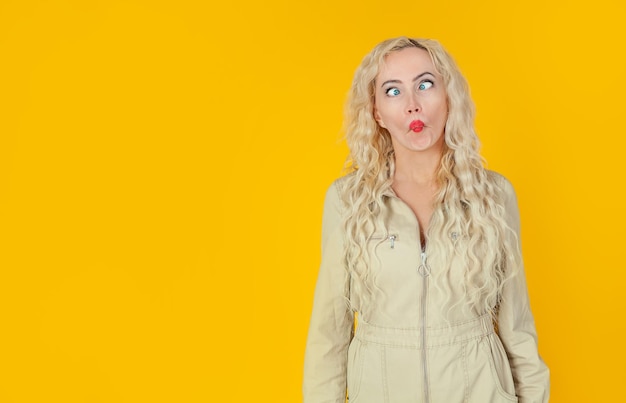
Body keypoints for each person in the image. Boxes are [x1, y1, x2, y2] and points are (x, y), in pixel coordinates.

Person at [303, 37, 549, 403]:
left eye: (425, 84)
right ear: (376, 112)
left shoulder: (494, 196)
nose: (413, 105)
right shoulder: (346, 201)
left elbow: (518, 328)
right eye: (393, 91)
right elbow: (329, 336)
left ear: (448, 95)